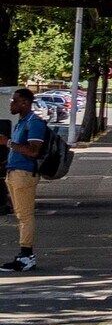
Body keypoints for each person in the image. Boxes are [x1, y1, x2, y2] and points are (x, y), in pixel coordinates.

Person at [5, 87, 48, 272]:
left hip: (24, 174)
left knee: (25, 216)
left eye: (14, 101)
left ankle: (26, 255)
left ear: (25, 103)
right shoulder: (21, 123)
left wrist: (8, 143)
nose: (11, 104)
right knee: (21, 215)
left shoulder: (34, 123)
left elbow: (33, 150)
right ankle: (25, 254)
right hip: (14, 173)